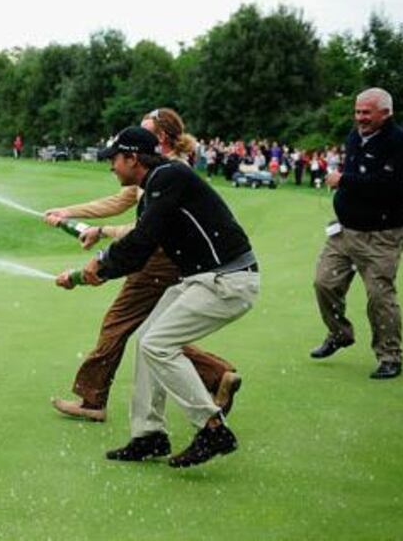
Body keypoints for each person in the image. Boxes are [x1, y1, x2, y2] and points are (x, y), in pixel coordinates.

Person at [58, 125, 259, 468]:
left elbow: (141, 242)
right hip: (202, 278)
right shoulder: (157, 183)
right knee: (148, 339)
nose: (111, 166)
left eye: (114, 159)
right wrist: (90, 272)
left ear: (132, 158)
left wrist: (97, 266)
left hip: (228, 281)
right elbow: (140, 245)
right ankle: (149, 435)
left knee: (156, 344)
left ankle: (212, 427)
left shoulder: (169, 176)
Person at [310, 87, 403, 379]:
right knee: (324, 282)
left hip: (382, 235)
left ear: (386, 113)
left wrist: (344, 180)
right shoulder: (355, 137)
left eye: (366, 112)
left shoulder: (399, 142)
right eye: (357, 111)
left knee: (379, 295)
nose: (360, 118)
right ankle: (339, 333)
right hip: (345, 231)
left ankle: (390, 356)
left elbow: (390, 187)